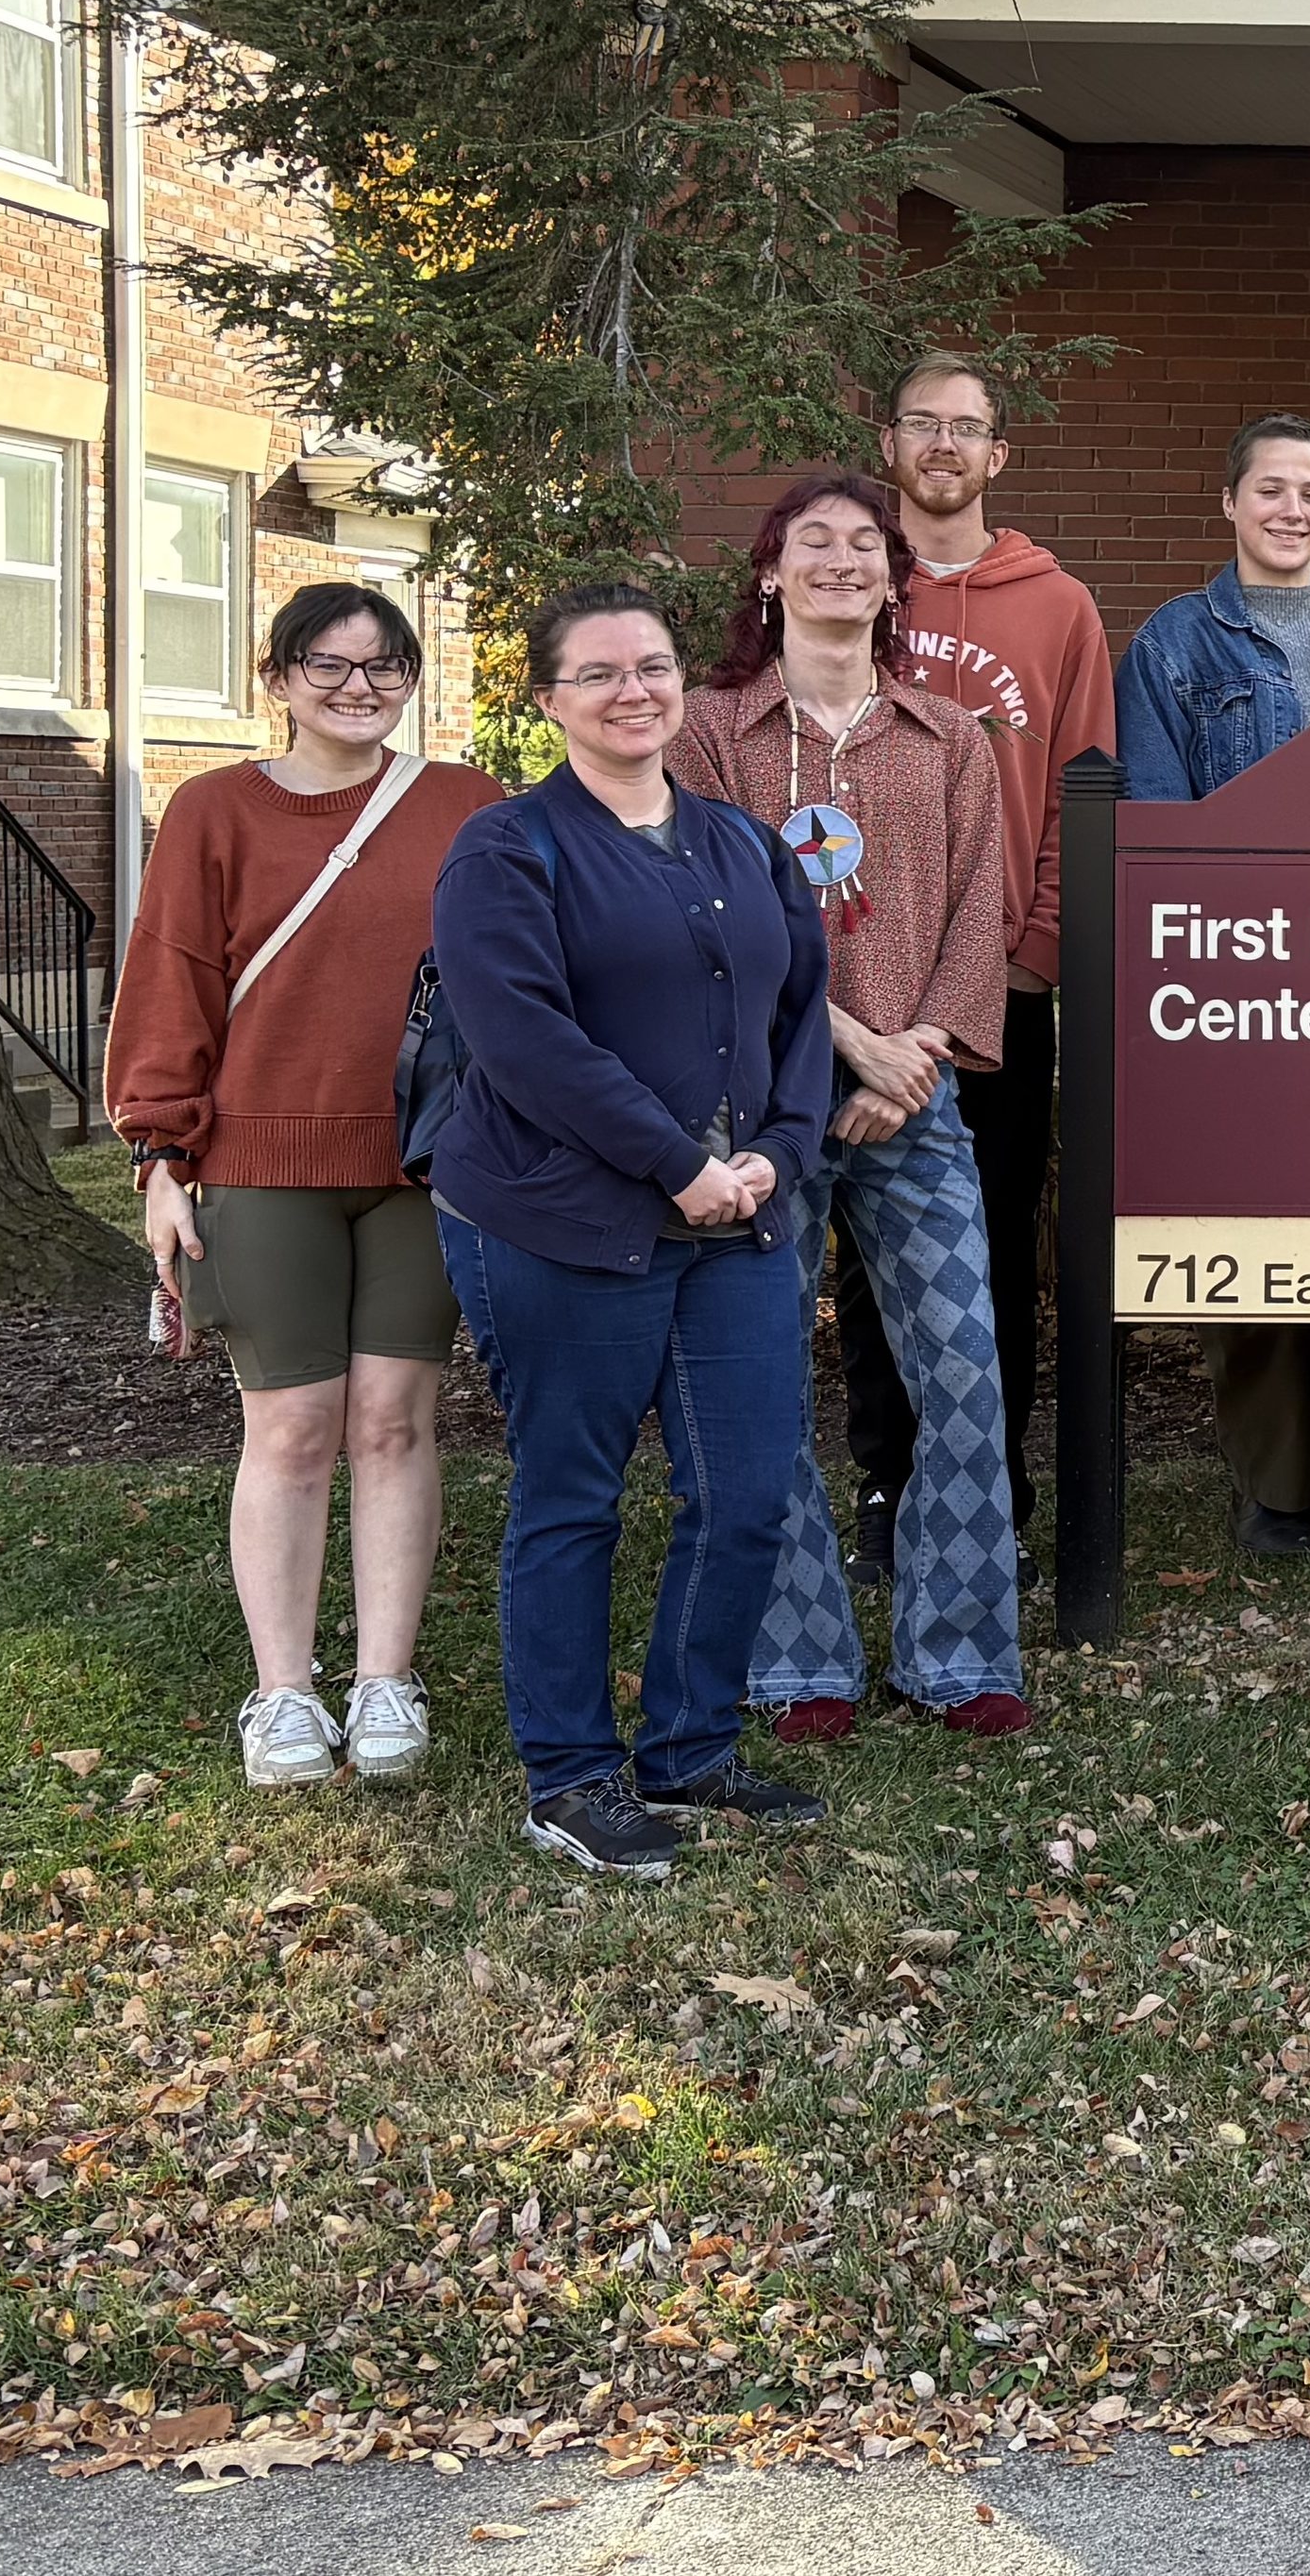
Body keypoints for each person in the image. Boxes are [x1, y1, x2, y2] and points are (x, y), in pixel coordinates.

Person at [429, 581, 834, 1879]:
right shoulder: (507, 849)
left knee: (747, 1489)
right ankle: (568, 1777)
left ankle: (690, 1748)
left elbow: (801, 1018)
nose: (632, 691)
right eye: (598, 672)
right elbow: (523, 1041)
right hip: (560, 1218)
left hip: (735, 1220)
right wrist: (676, 1165)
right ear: (548, 699)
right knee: (574, 1494)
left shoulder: (742, 846)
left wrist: (777, 1152)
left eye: (652, 666)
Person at [107, 583, 504, 1793]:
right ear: (276, 677)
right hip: (259, 1161)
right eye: (326, 665)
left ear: (411, 680)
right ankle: (282, 1691)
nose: (357, 687)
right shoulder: (213, 808)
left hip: (421, 1163)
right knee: (288, 1427)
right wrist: (159, 1155)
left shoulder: (468, 803)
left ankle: (385, 1677)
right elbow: (171, 977)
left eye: (384, 666)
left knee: (393, 1421)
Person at [675, 472, 1030, 1746]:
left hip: (913, 1100)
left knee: (964, 1371)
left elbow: (984, 905)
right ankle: (795, 1659)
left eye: (865, 544)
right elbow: (701, 912)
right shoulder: (709, 732)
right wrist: (849, 1047)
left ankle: (958, 1653)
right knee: (762, 1371)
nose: (841, 559)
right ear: (769, 574)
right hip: (757, 1105)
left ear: (893, 579)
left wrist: (915, 1053)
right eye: (811, 541)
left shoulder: (949, 736)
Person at [1117, 413, 1310, 1553]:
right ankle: (1271, 1487)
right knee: (1254, 1251)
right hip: (1242, 988)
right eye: (1270, 489)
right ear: (1230, 502)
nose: (1292, 510)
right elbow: (1157, 825)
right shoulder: (1172, 644)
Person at [874, 350, 1114, 1586]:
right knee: (866, 1252)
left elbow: (1084, 787)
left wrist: (1035, 955)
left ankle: (991, 1490)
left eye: (965, 427)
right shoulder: (845, 583)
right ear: (888, 443)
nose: (943, 445)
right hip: (856, 995)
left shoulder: (1055, 606)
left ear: (998, 454)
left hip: (998, 991)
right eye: (922, 423)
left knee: (992, 1246)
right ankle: (886, 1485)